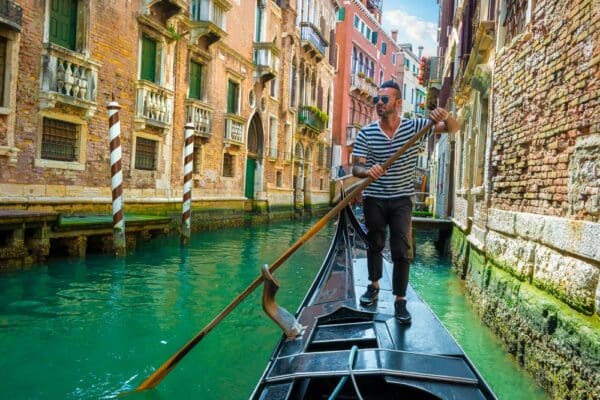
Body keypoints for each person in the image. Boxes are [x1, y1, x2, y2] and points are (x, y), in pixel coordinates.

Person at [351, 80, 459, 323]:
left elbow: (454, 127)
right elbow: (356, 166)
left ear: (398, 103)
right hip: (374, 197)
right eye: (377, 100)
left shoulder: (416, 127)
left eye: (384, 99)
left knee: (402, 250)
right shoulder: (366, 132)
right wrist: (367, 171)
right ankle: (374, 285)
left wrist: (445, 114)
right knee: (375, 243)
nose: (378, 103)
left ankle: (400, 300)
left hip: (401, 199)